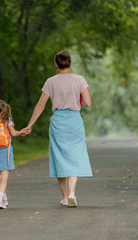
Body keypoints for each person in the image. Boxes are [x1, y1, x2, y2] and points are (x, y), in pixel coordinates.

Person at [23, 50, 93, 208]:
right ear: (71, 63)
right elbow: (88, 103)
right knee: (75, 155)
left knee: (59, 157)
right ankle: (72, 192)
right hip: (74, 121)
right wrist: (76, 100)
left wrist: (30, 124)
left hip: (58, 122)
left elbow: (41, 105)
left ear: (56, 64)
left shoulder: (51, 81)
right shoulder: (79, 80)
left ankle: (64, 196)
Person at [0, 100, 27, 209]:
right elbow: (14, 133)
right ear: (5, 110)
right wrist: (21, 132)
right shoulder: (7, 121)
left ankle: (3, 199)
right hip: (5, 149)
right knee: (5, 173)